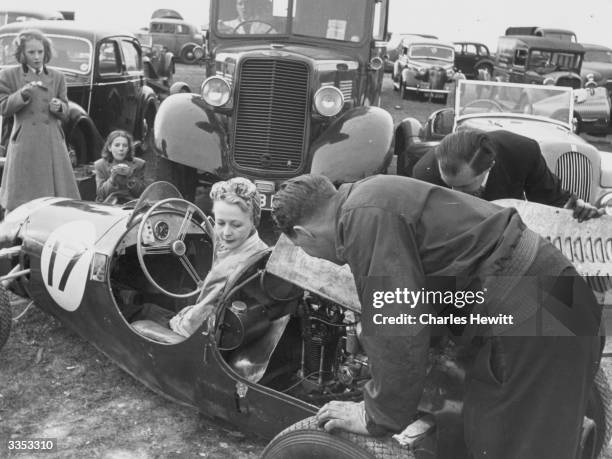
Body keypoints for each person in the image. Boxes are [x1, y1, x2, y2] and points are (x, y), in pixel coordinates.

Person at [271, 173, 602, 459]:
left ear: (303, 235)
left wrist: (378, 413)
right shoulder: (371, 193)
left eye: (304, 250)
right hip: (561, 295)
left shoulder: (363, 220)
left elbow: (396, 324)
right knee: (533, 435)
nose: (314, 256)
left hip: (531, 314)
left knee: (507, 443)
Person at [412, 129, 603, 221]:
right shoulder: (425, 173)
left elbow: (550, 198)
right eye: (449, 184)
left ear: (489, 167)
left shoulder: (522, 152)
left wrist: (574, 209)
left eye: (464, 186)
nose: (454, 192)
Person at [168, 177, 268, 337]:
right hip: (234, 321)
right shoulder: (259, 247)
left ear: (253, 221)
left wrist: (175, 322)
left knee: (143, 313)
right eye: (220, 223)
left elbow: (190, 326)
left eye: (236, 225)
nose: (226, 233)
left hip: (202, 332)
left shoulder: (228, 272)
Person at [0, 28, 80, 213]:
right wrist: (22, 95)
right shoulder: (8, 75)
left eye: (40, 52)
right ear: (22, 54)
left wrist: (59, 107)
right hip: (24, 142)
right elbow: (3, 108)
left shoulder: (57, 76)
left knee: (55, 199)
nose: (37, 57)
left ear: (46, 52)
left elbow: (66, 111)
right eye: (31, 52)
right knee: (21, 200)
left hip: (52, 142)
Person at [93, 130, 146, 202]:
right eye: (117, 145)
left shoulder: (139, 164)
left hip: (130, 204)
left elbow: (142, 193)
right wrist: (112, 179)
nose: (121, 149)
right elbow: (101, 194)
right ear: (109, 147)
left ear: (128, 149)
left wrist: (130, 177)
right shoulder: (100, 165)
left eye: (125, 146)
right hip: (108, 204)